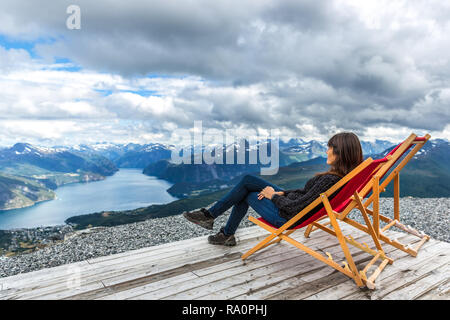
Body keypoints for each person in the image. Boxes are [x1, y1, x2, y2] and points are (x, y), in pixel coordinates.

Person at [183, 132, 364, 246]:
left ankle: (219, 226)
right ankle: (217, 224)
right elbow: (306, 196)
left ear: (341, 152)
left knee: (246, 192)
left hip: (287, 216)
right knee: (248, 180)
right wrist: (283, 193)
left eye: (330, 147)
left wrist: (273, 196)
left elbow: (296, 209)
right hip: (291, 205)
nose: (326, 151)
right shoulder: (343, 178)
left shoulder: (330, 180)